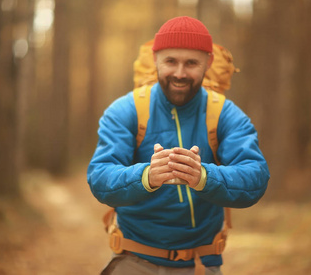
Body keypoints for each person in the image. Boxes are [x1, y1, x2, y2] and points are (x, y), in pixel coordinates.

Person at [87, 16, 270, 275]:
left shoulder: (225, 114)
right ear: (155, 60)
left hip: (199, 264)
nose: (180, 73)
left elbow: (256, 177)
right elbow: (99, 177)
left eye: (191, 63)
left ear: (208, 62)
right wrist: (146, 176)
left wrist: (205, 177)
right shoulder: (125, 110)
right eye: (171, 61)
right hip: (133, 260)